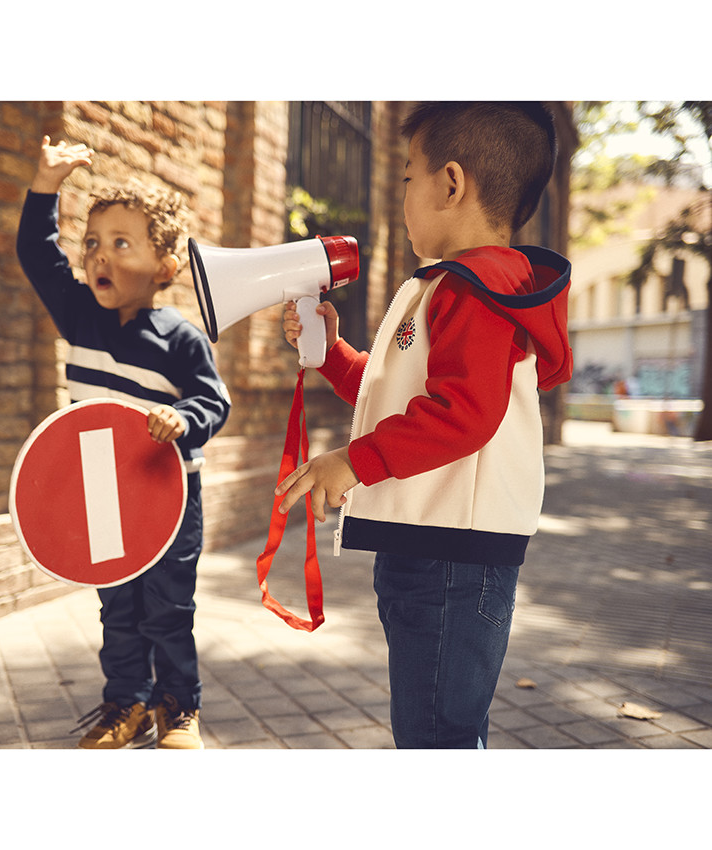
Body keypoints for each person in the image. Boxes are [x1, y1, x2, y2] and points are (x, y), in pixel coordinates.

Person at [278, 102, 573, 748]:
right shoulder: (452, 285)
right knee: (439, 726)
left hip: (451, 559)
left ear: (451, 183)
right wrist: (333, 354)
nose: (402, 193)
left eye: (407, 177)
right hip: (437, 549)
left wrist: (352, 461)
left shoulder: (476, 289)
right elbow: (400, 400)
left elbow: (462, 414)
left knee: (436, 735)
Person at [16, 136, 231, 749]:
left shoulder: (182, 339)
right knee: (118, 607)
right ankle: (124, 704)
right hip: (101, 492)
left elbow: (215, 401)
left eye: (120, 243)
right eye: (91, 243)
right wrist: (44, 186)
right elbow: (36, 252)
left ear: (164, 267)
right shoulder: (79, 314)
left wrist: (181, 418)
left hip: (168, 497)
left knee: (168, 607)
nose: (98, 257)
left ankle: (178, 707)